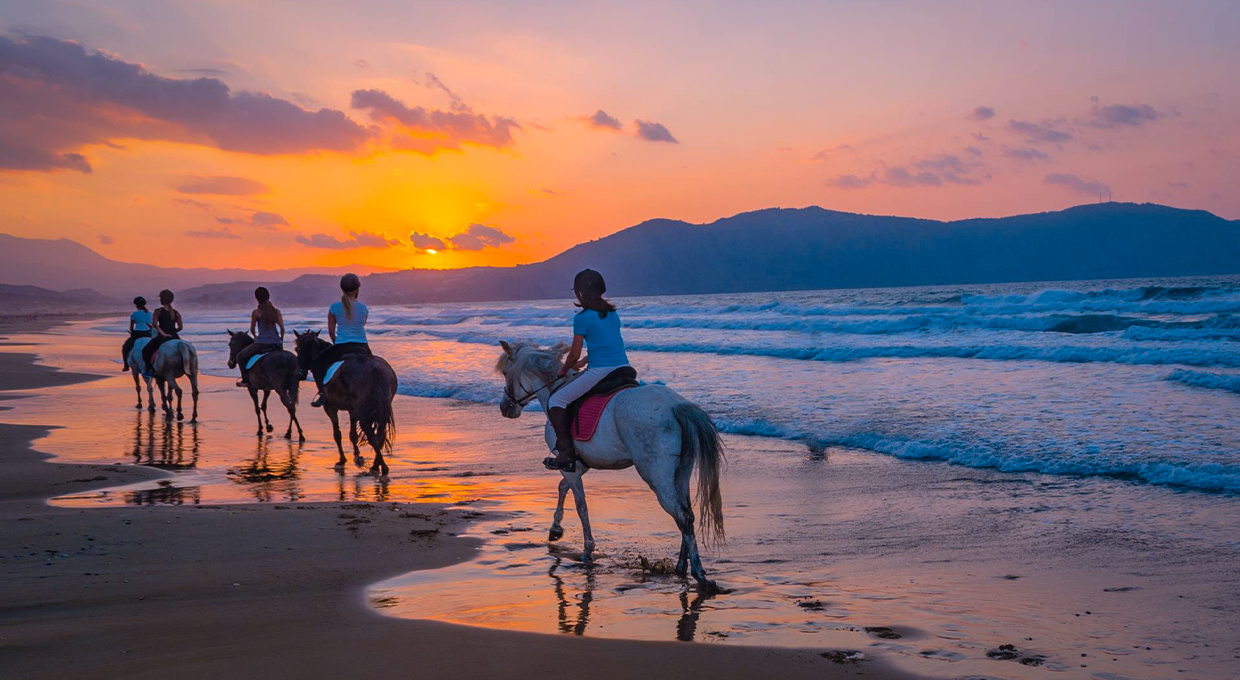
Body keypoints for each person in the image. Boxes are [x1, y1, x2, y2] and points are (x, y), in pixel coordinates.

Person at [543, 269, 632, 471]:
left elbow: (572, 354)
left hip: (600, 372)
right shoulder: (612, 313)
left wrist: (564, 370)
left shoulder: (582, 318)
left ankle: (565, 454)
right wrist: (583, 360)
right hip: (624, 368)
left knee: (556, 401)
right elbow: (607, 345)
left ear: (580, 294)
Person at [309, 273, 372, 407]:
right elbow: (361, 325)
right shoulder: (363, 308)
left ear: (342, 289)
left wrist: (336, 343)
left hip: (342, 346)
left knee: (317, 364)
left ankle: (322, 394)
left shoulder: (334, 307)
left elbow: (332, 331)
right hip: (362, 345)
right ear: (357, 289)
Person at [234, 287, 285, 387]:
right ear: (268, 297)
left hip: (262, 343)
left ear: (257, 298)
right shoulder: (276, 311)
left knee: (240, 356)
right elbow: (282, 329)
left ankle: (245, 380)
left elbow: (252, 329)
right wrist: (280, 341)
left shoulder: (256, 313)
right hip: (277, 343)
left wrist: (256, 337)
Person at [140, 289, 182, 373]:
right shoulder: (176, 312)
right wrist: (173, 331)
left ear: (162, 299)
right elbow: (180, 328)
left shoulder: (158, 311)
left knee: (145, 350)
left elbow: (155, 325)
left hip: (163, 337)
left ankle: (149, 369)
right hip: (175, 337)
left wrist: (164, 334)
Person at [120, 296, 154, 371]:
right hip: (148, 334)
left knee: (125, 348)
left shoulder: (134, 314)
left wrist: (132, 333)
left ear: (136, 305)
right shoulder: (151, 314)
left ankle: (126, 366)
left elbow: (131, 328)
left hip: (137, 334)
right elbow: (152, 326)